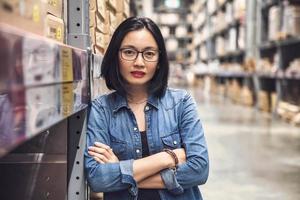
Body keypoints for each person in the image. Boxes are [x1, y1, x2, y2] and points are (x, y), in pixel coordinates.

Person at [85, 17, 209, 200]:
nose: (139, 62)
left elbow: (199, 170)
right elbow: (97, 178)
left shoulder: (181, 103)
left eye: (149, 54)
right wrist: (167, 158)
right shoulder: (101, 109)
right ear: (115, 56)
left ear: (159, 60)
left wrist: (121, 169)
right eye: (129, 52)